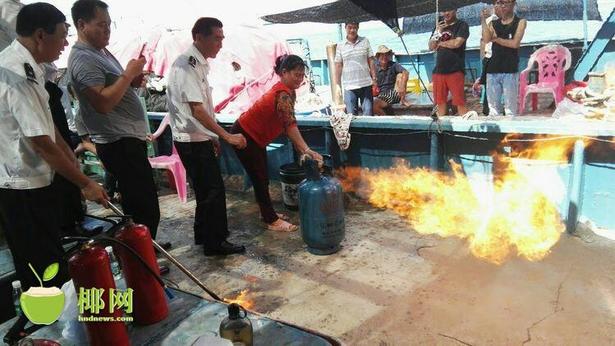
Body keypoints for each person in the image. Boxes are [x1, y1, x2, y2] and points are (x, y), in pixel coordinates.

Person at [0, 3, 108, 290]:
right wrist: (86, 183)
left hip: (36, 181)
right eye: (62, 35)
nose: (65, 43)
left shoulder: (31, 68)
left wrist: (72, 163)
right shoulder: (16, 75)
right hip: (21, 186)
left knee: (50, 253)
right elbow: (41, 145)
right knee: (42, 266)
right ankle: (50, 327)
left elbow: (50, 130)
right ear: (40, 35)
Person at [68, 0, 169, 249]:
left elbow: (113, 89)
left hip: (126, 139)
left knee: (142, 203)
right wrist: (127, 74)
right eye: (101, 25)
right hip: (117, 143)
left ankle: (147, 248)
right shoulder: (83, 58)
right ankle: (140, 258)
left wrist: (132, 80)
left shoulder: (100, 52)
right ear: (81, 24)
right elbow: (102, 102)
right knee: (142, 204)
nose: (108, 30)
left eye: (109, 25)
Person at [166, 17, 247, 256]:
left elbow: (202, 109)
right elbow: (197, 110)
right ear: (199, 37)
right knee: (213, 191)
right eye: (216, 38)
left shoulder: (198, 64)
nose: (220, 44)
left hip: (197, 138)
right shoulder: (186, 65)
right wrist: (226, 136)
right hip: (191, 141)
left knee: (204, 190)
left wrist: (212, 137)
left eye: (222, 38)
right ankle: (215, 243)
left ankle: (204, 235)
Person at [230, 55, 323, 232]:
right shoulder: (282, 94)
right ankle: (271, 220)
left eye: (302, 75)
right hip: (245, 135)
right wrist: (307, 149)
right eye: (296, 74)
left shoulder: (288, 92)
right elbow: (290, 126)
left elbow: (288, 123)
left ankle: (266, 212)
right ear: (284, 73)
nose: (300, 79)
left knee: (261, 177)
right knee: (260, 177)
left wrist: (302, 148)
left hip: (254, 137)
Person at [428, 7, 477, 118]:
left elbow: (457, 43)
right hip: (439, 71)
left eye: (448, 10)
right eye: (444, 10)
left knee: (460, 101)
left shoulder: (462, 25)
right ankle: (441, 127)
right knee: (440, 102)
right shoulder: (438, 26)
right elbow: (431, 46)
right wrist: (438, 33)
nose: (446, 13)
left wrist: (440, 44)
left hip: (455, 70)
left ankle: (464, 124)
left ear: (455, 10)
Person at [483, 0, 527, 116]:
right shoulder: (493, 23)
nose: (503, 6)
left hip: (510, 68)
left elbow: (515, 43)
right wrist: (483, 20)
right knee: (493, 109)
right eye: (501, 3)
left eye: (506, 3)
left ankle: (511, 132)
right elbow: (487, 39)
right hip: (493, 68)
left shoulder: (520, 22)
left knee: (510, 109)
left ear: (513, 4)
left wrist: (497, 39)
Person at [334, 22, 377, 116]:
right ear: (345, 28)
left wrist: (374, 79)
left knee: (368, 114)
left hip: (366, 84)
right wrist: (337, 85)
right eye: (350, 27)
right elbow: (338, 65)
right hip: (349, 86)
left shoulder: (365, 41)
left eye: (354, 28)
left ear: (358, 28)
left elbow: (371, 61)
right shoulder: (340, 45)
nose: (352, 30)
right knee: (351, 117)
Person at [473, 7, 499, 116]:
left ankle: (501, 110)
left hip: (502, 58)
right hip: (489, 58)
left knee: (500, 87)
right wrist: (483, 58)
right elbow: (483, 41)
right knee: (488, 86)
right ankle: (487, 109)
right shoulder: (489, 21)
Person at [373, 45, 411, 115]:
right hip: (380, 94)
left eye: (386, 55)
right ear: (378, 56)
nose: (384, 57)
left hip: (393, 93)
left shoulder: (393, 65)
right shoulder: (375, 67)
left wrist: (402, 86)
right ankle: (385, 118)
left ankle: (385, 120)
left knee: (400, 75)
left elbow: (406, 72)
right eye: (382, 55)